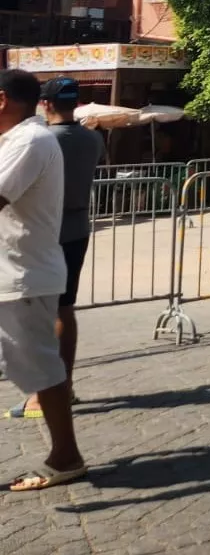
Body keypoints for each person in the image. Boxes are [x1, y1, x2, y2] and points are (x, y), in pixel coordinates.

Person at [0, 69, 88, 490]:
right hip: (15, 272)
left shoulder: (31, 142)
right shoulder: (15, 142)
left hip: (23, 275)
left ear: (2, 100)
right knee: (40, 366)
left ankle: (65, 456)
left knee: (42, 369)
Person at [7, 78, 106, 419]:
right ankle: (66, 386)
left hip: (45, 232)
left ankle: (45, 394)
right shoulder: (93, 139)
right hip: (78, 228)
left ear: (45, 104)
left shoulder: (42, 141)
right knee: (65, 309)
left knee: (39, 319)